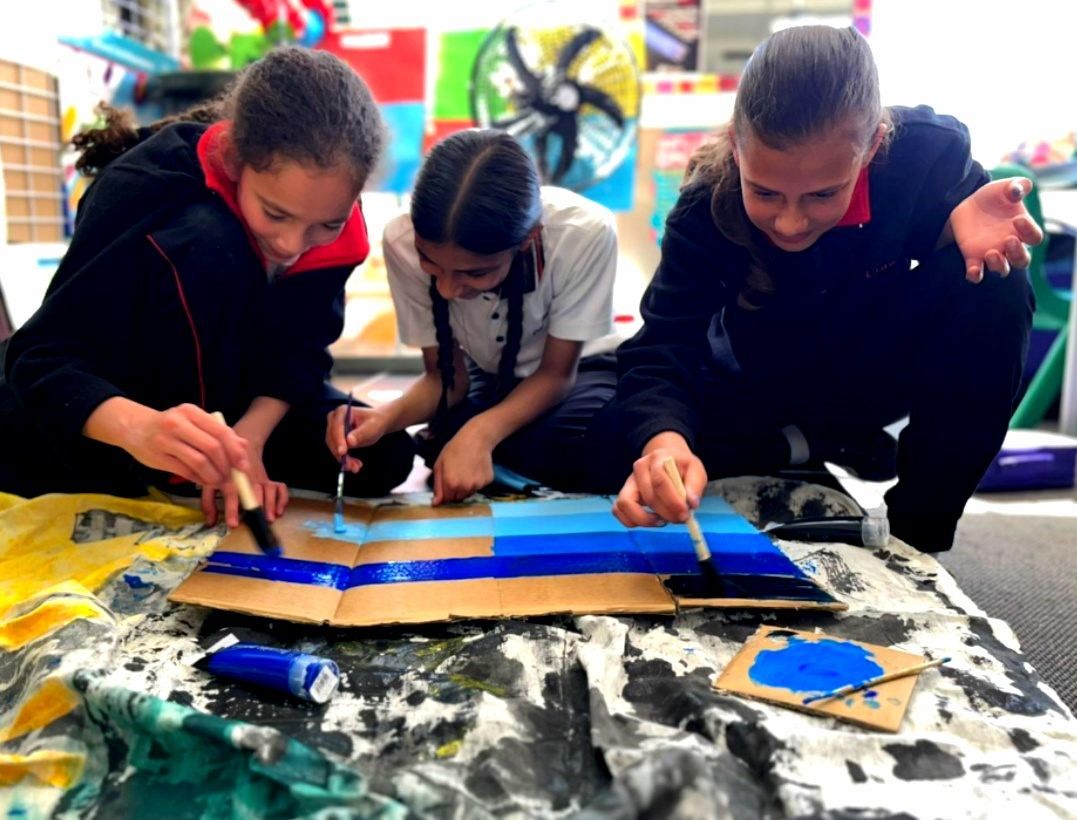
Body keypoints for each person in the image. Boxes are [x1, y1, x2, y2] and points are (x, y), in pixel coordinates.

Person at [599, 26, 1039, 552]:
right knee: (605, 443)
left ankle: (915, 533)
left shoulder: (926, 155)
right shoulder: (704, 209)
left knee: (995, 284)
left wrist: (950, 231)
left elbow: (964, 307)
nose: (788, 223)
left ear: (872, 146)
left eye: (822, 195)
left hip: (871, 368)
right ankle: (804, 446)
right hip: (762, 382)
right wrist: (664, 444)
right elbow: (663, 346)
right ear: (737, 149)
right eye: (764, 192)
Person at [0, 46, 415, 527]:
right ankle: (172, 469)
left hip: (234, 402)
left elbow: (297, 356)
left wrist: (248, 443)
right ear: (235, 161)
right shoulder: (145, 189)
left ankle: (203, 467)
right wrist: (141, 429)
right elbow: (41, 357)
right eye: (275, 214)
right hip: (123, 403)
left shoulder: (327, 213)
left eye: (326, 225)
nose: (291, 244)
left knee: (381, 453)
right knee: (212, 242)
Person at [326, 129, 619, 504]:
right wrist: (384, 418)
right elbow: (446, 378)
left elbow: (557, 375)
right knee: (433, 439)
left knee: (597, 435)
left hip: (580, 372)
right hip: (491, 375)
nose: (447, 290)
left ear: (528, 239)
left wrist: (480, 434)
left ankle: (497, 455)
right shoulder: (401, 240)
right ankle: (500, 460)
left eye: (475, 273)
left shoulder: (584, 232)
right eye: (431, 264)